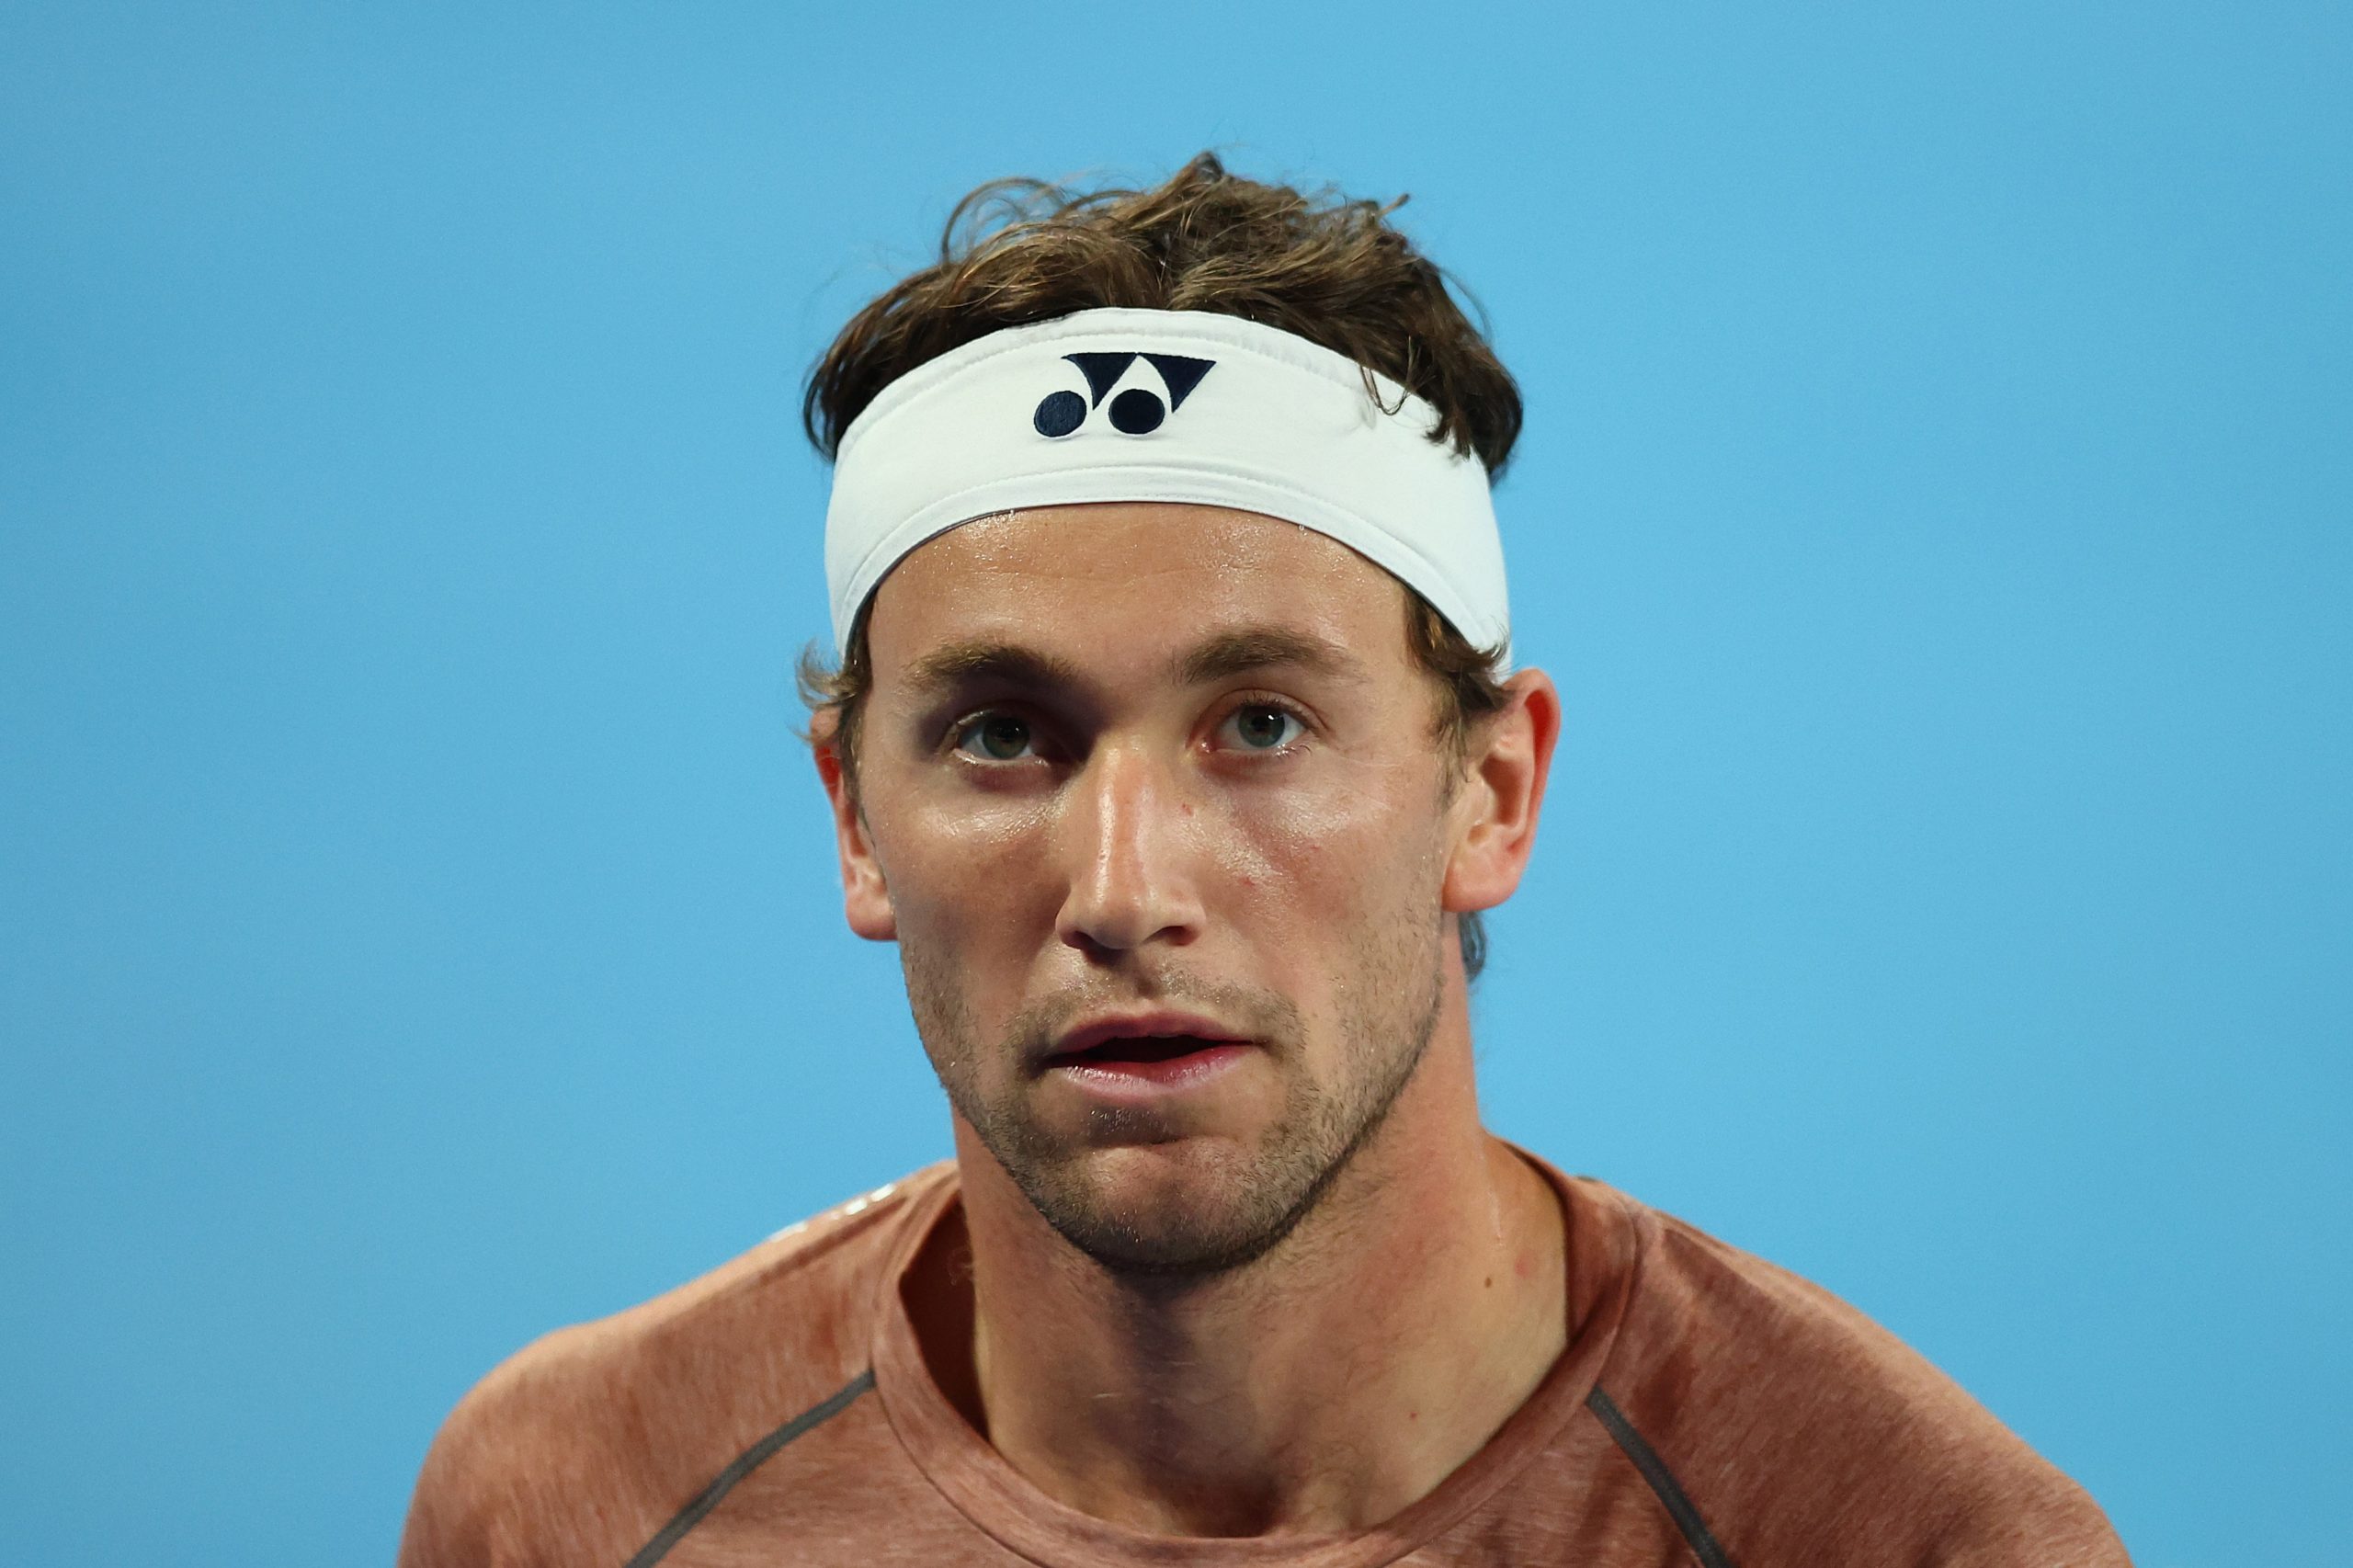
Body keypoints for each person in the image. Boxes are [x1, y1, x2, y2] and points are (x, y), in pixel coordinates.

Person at [397, 154, 2131, 1567]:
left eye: (1260, 725)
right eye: (1004, 734)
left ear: (1492, 793)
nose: (1123, 887)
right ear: (856, 819)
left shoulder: (1912, 1541)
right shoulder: (571, 1509)